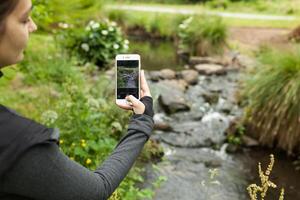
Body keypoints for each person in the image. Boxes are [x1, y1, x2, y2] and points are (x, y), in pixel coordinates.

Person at [0, 0, 154, 199]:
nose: (34, 26)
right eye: (24, 19)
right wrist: (143, 121)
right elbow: (96, 190)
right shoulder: (16, 141)